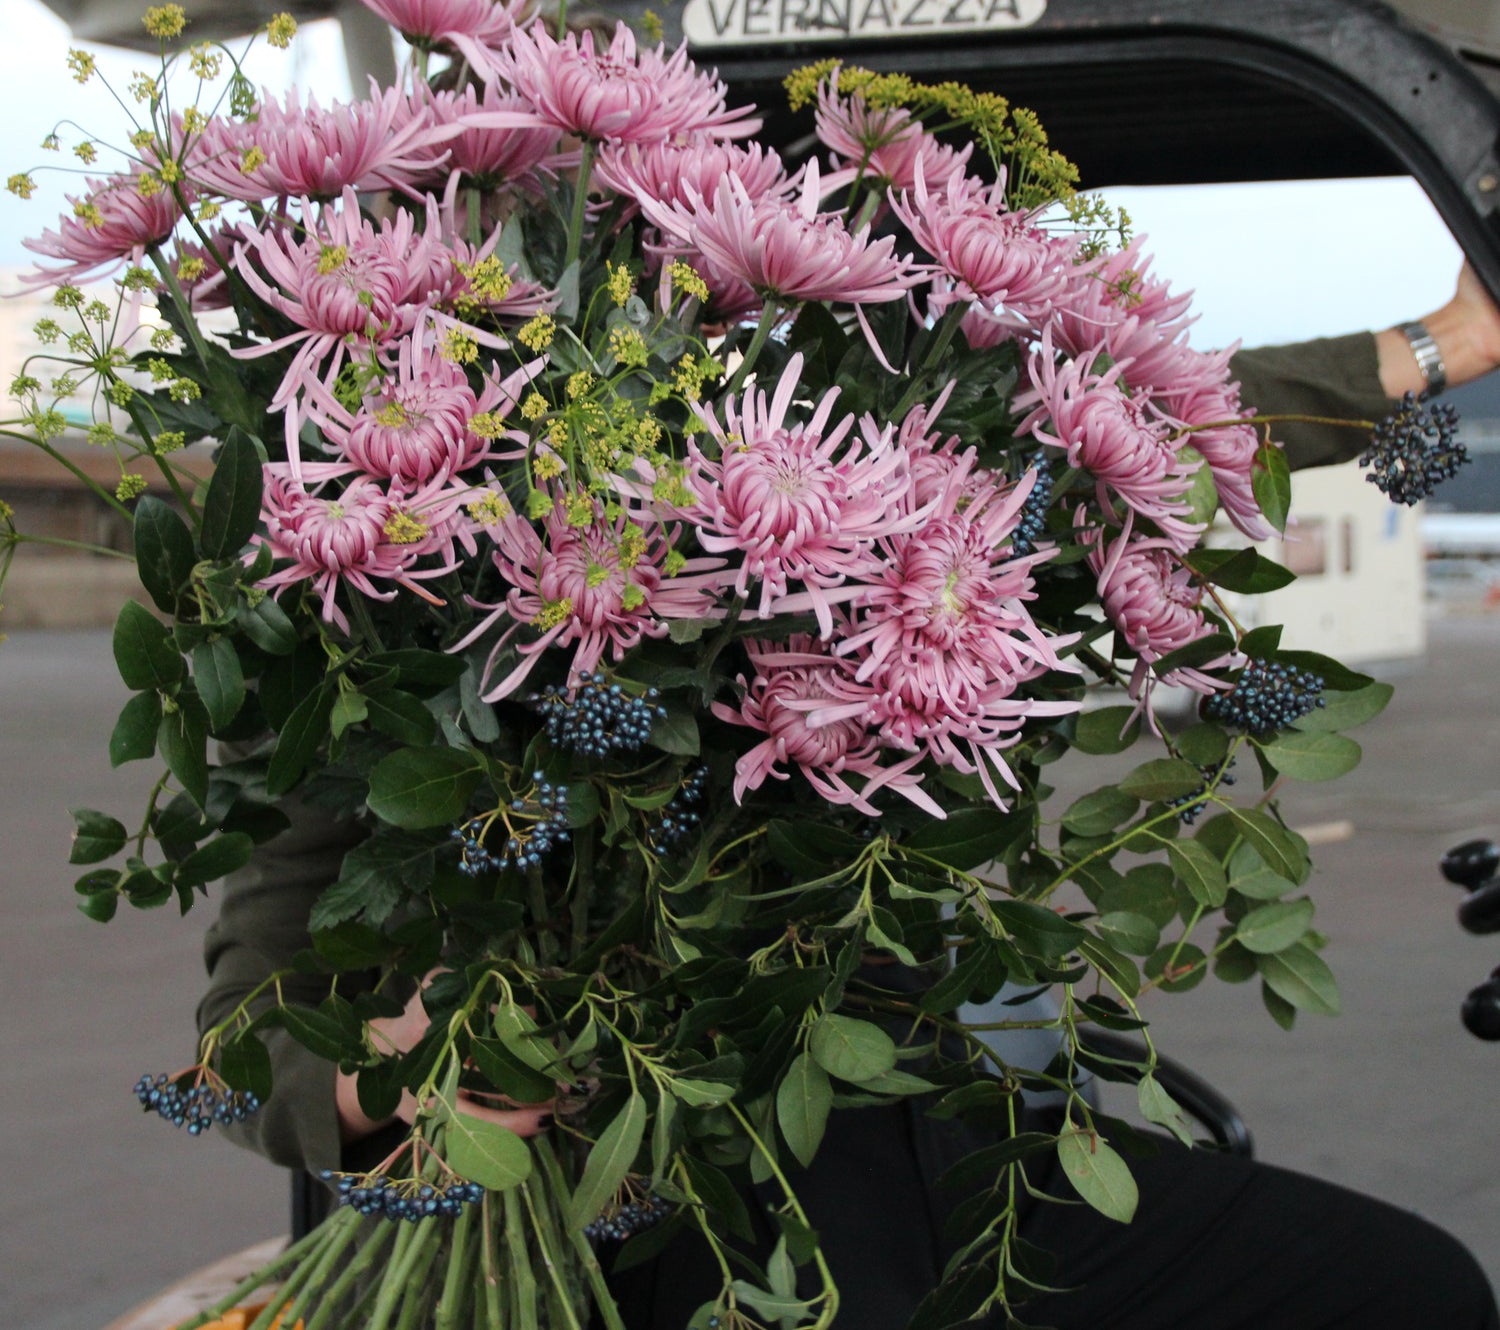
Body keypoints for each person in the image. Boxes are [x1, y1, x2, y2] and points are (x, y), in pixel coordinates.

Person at [199, 264, 1500, 1328]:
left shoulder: (809, 496)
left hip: (899, 1119)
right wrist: (398, 1070)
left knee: (1408, 1288)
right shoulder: (343, 612)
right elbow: (247, 1035)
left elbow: (1115, 434)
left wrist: (1440, 344)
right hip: (624, 1213)